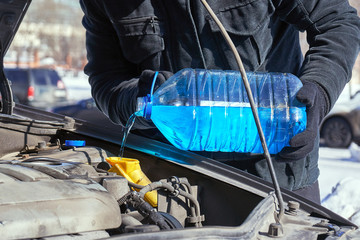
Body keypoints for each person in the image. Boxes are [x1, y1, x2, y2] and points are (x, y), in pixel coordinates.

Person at [79, 0, 360, 204]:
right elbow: (105, 78)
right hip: (171, 180)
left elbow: (337, 22)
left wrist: (319, 90)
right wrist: (137, 99)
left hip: (274, 174)